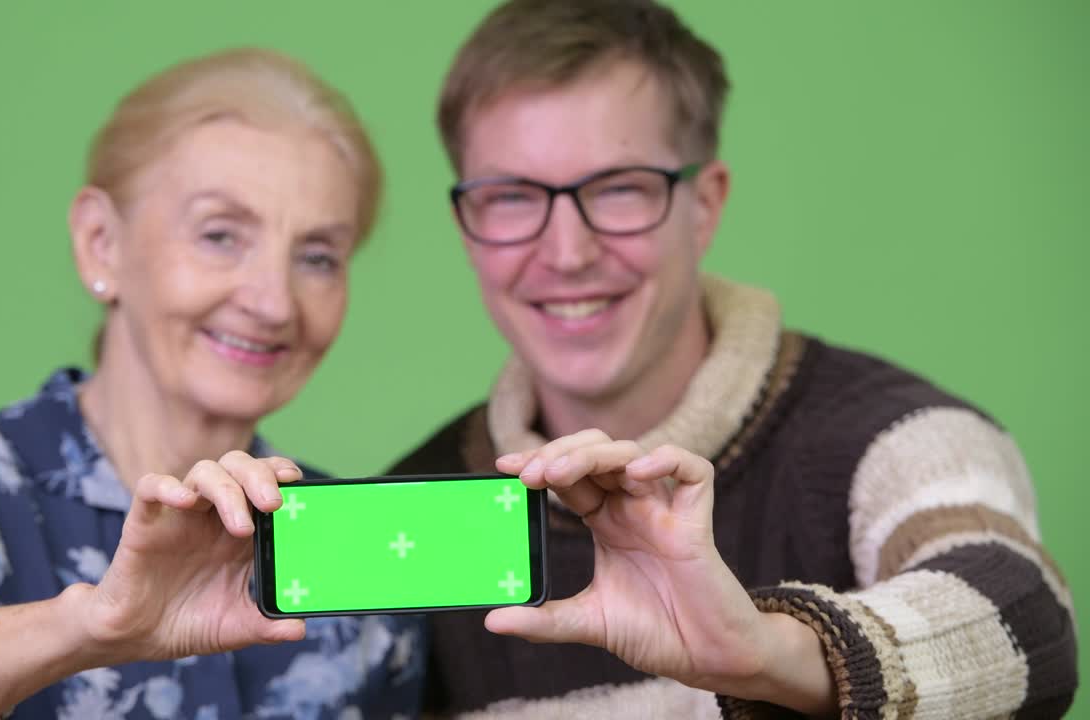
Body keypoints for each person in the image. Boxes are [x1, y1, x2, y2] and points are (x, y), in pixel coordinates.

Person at [389, 0, 1079, 716]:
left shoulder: (900, 437)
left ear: (705, 205)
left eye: (620, 189)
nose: (567, 253)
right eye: (510, 197)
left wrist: (759, 655)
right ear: (466, 226)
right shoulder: (409, 508)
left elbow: (1027, 627)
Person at [0, 48, 423, 719]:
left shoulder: (354, 543)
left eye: (318, 257)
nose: (274, 303)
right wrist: (95, 624)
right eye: (220, 235)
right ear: (101, 242)